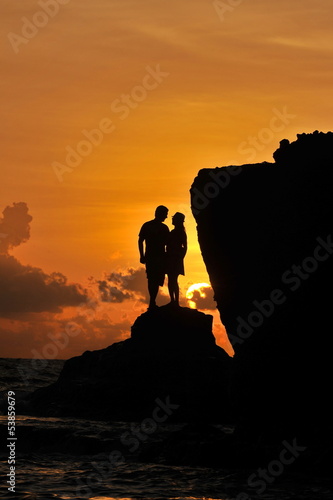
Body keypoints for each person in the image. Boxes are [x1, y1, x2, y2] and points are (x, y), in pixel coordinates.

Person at [138, 205, 169, 310]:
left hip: (156, 257)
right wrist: (141, 255)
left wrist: (142, 255)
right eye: (165, 214)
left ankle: (152, 302)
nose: (166, 217)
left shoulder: (150, 226)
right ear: (160, 214)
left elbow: (168, 243)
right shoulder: (153, 226)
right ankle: (152, 302)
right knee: (153, 280)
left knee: (154, 280)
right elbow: (140, 241)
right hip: (155, 257)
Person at [166, 212, 187, 306]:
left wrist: (180, 257)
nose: (172, 219)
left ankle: (175, 301)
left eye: (174, 218)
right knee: (172, 280)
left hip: (175, 258)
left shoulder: (180, 232)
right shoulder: (174, 232)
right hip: (171, 258)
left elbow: (185, 247)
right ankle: (173, 301)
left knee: (173, 280)